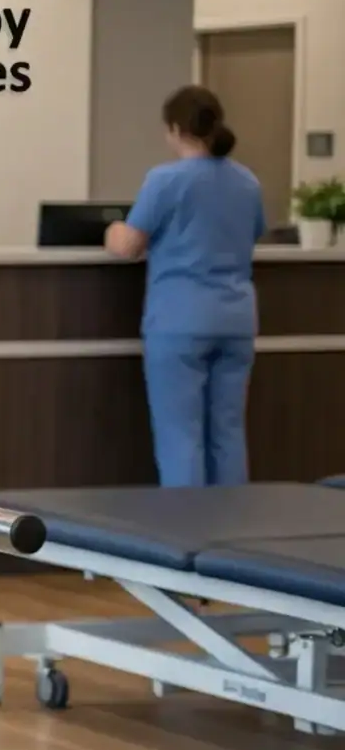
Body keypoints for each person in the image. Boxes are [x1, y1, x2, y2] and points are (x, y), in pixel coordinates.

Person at [106, 85, 264, 487]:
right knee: (228, 433)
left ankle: (188, 535)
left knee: (181, 436)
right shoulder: (247, 182)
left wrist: (112, 229)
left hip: (180, 320)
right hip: (236, 321)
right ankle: (233, 534)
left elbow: (128, 246)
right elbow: (254, 233)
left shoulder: (165, 180)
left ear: (176, 128)